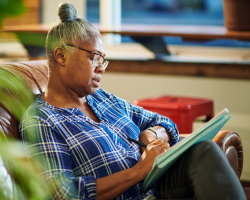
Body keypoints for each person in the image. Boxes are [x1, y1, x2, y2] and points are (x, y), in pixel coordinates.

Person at [19, 3, 246, 200]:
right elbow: (62, 193)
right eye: (93, 57)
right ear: (61, 56)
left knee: (204, 149)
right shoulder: (41, 120)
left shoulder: (102, 98)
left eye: (103, 60)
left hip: (155, 186)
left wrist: (152, 135)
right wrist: (140, 170)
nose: (101, 67)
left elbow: (163, 122)